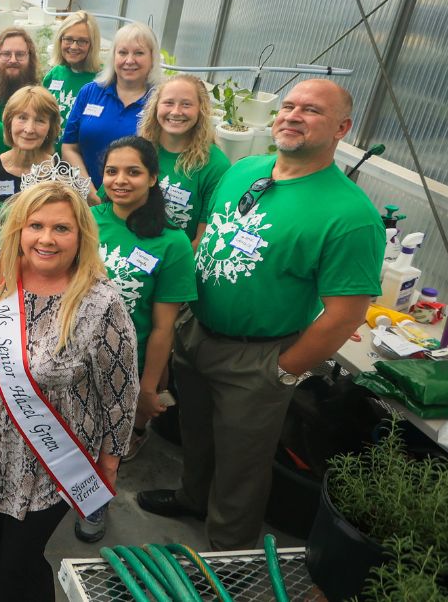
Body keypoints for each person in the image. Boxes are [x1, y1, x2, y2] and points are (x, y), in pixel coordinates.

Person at [138, 79, 384, 550]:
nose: (292, 115)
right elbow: (208, 231)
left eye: (310, 110)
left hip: (257, 356)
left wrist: (284, 371)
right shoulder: (246, 169)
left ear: (342, 128)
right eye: (288, 105)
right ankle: (192, 496)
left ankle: (229, 553)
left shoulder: (350, 215)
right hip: (197, 332)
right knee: (197, 432)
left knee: (241, 463)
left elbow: (346, 314)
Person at [0, 181, 136, 602]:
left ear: (82, 236)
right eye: (36, 225)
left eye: (62, 229)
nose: (47, 239)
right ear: (18, 228)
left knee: (20, 560)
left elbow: (121, 389)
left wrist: (110, 460)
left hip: (50, 454)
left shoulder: (100, 302)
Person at [75, 137, 196, 542]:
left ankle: (94, 505)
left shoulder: (172, 242)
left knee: (107, 442)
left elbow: (164, 327)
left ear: (154, 177)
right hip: (71, 354)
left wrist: (148, 385)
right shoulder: (86, 219)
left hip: (125, 365)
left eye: (133, 172)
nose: (120, 180)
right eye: (112, 171)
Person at [62, 22, 161, 186]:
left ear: (152, 58)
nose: (129, 60)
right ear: (113, 56)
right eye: (122, 52)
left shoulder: (159, 101)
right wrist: (88, 190)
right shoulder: (90, 92)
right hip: (85, 197)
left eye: (139, 53)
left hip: (135, 200)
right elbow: (69, 147)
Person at [136, 74, 231, 245]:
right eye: (168, 103)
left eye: (186, 104)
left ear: (201, 110)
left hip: (176, 261)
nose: (176, 111)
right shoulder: (139, 150)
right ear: (156, 106)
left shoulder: (215, 165)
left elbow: (204, 238)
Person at [0, 86, 93, 203]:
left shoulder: (63, 174)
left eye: (40, 120)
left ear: (50, 128)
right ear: (9, 122)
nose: (29, 129)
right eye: (22, 118)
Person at [40, 10, 104, 148]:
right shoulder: (54, 74)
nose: (74, 46)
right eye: (68, 39)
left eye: (82, 41)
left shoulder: (103, 80)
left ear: (92, 45)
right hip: (48, 161)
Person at [0, 27, 41, 121]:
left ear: (30, 58)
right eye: (6, 54)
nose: (13, 60)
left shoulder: (39, 95)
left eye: (20, 54)